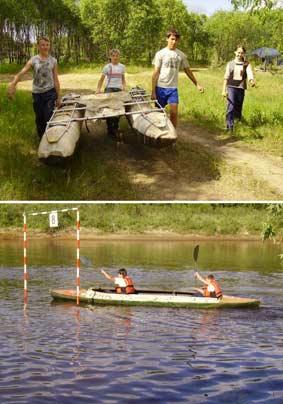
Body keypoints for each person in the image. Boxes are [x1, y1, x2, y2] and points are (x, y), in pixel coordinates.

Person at [8, 36, 61, 138]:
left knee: (48, 117)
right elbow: (22, 73)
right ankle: (41, 140)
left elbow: (56, 79)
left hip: (50, 93)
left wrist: (59, 96)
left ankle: (50, 140)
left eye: (47, 45)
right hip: (37, 94)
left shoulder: (53, 61)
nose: (45, 47)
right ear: (38, 46)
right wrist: (13, 84)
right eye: (42, 45)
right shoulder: (33, 60)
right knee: (39, 119)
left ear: (49, 46)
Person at [151, 28, 204, 128]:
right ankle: (159, 133)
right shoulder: (160, 54)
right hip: (160, 87)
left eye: (176, 40)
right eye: (172, 39)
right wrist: (153, 91)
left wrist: (197, 84)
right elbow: (156, 72)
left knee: (174, 113)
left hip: (173, 89)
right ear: (167, 39)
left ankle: (172, 135)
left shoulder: (181, 55)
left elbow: (187, 70)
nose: (174, 41)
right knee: (159, 113)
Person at [222, 44, 255, 131]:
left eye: (242, 53)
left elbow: (250, 73)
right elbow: (226, 77)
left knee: (238, 107)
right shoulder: (230, 64)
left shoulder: (246, 64)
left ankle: (238, 123)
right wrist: (223, 90)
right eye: (238, 52)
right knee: (231, 106)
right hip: (231, 87)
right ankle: (229, 125)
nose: (240, 54)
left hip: (241, 88)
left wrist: (251, 81)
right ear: (235, 52)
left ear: (244, 54)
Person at [96, 49, 126, 138]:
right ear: (110, 57)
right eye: (113, 56)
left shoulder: (122, 67)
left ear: (119, 56)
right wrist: (98, 89)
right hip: (109, 89)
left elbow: (123, 79)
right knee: (109, 109)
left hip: (118, 89)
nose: (115, 57)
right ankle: (109, 128)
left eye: (117, 56)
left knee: (119, 108)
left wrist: (124, 87)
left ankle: (116, 125)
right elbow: (101, 79)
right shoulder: (107, 67)